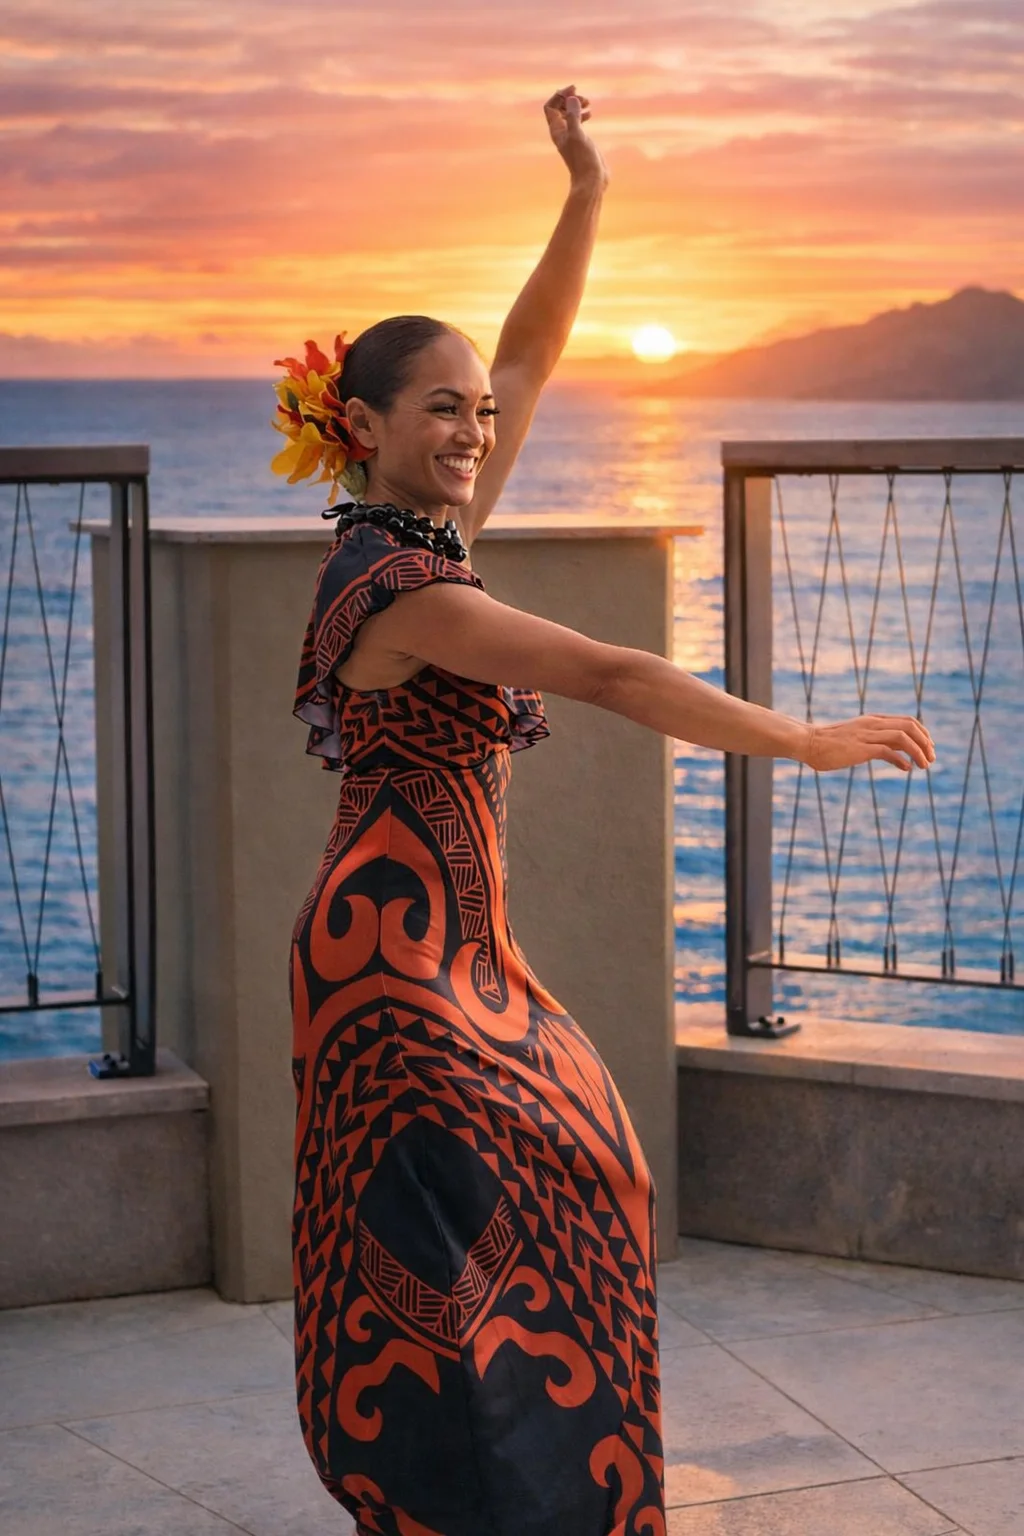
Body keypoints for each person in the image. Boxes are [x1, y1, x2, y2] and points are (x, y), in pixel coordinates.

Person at [282, 88, 936, 1536]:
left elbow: (530, 350)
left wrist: (587, 189)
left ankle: (530, 1502)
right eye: (437, 410)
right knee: (467, 1244)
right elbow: (612, 672)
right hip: (389, 968)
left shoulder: (424, 531)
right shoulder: (398, 586)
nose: (470, 428)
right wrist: (806, 742)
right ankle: (460, 1506)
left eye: (477, 416)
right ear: (364, 424)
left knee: (580, 1179)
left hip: (456, 951)